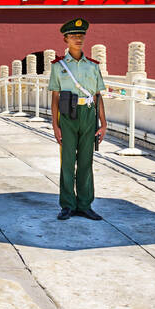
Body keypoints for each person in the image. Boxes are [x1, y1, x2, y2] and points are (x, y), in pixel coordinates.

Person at [48, 16, 106, 221]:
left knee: (85, 161)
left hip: (89, 114)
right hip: (67, 116)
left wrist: (103, 123)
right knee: (67, 161)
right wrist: (55, 125)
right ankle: (67, 205)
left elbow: (98, 95)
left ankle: (85, 204)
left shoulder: (92, 66)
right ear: (66, 39)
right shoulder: (58, 66)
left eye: (81, 35)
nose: (78, 39)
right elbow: (54, 97)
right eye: (73, 36)